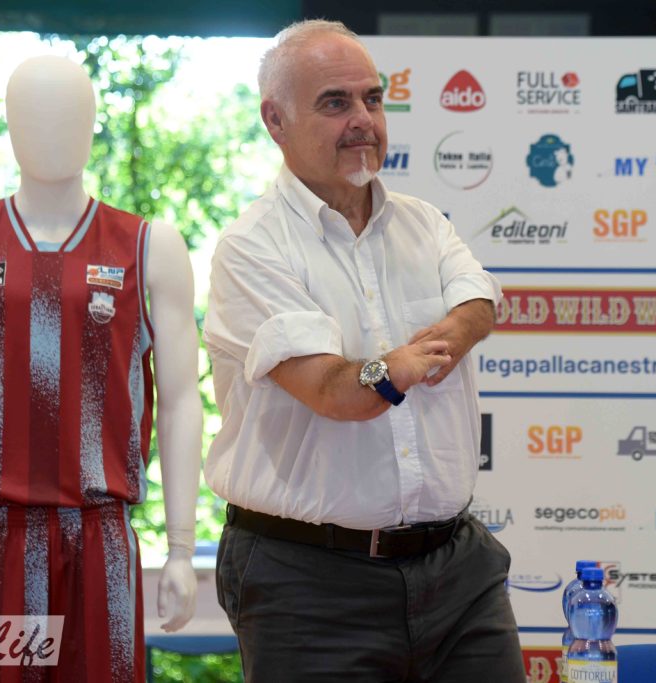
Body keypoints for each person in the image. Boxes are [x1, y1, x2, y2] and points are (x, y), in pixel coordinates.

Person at [203, 20, 525, 682]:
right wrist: (395, 368)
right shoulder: (252, 248)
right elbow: (333, 392)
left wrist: (419, 354)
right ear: (275, 120)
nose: (362, 120)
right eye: (335, 102)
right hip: (309, 583)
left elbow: (479, 305)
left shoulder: (424, 222)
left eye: (372, 99)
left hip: (457, 571)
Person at [0, 56, 202, 681]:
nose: (52, 131)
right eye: (34, 115)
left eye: (69, 115)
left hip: (100, 539)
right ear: (10, 126)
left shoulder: (148, 247)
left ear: (94, 123)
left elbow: (183, 400)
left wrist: (181, 546)